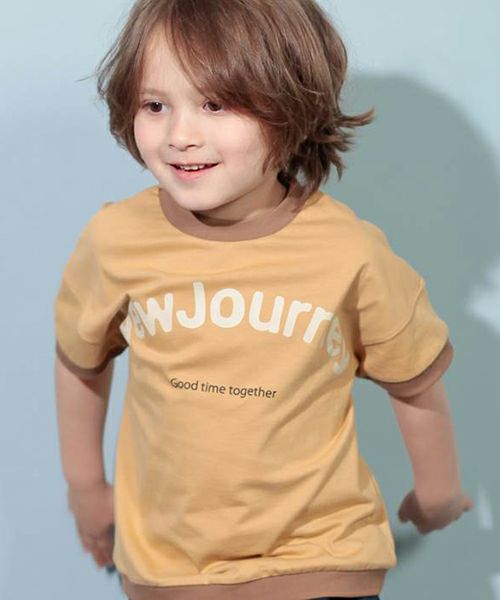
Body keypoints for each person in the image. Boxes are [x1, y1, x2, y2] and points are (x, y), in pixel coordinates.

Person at [53, 1, 474, 599]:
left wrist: (438, 491)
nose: (180, 135)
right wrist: (86, 488)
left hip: (321, 561)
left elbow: (415, 379)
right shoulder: (116, 240)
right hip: (170, 572)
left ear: (291, 105)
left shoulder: (348, 252)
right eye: (155, 105)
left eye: (216, 104)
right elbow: (79, 359)